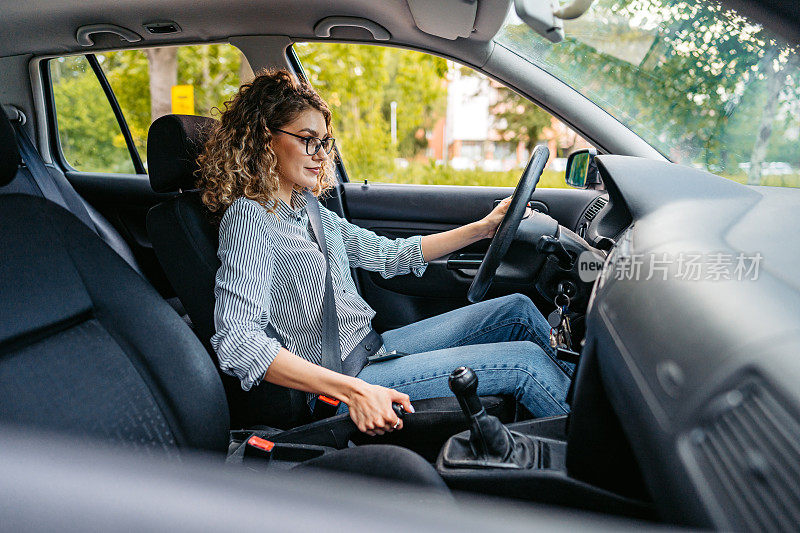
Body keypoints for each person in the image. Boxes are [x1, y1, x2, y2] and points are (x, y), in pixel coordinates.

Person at [199, 69, 572, 436]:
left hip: (373, 348)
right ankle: (598, 459)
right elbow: (238, 340)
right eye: (307, 139)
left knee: (518, 308)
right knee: (524, 364)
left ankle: (587, 400)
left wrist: (484, 228)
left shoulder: (308, 210)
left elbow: (389, 254)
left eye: (324, 142)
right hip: (340, 381)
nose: (320, 155)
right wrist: (355, 390)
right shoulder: (249, 219)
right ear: (267, 140)